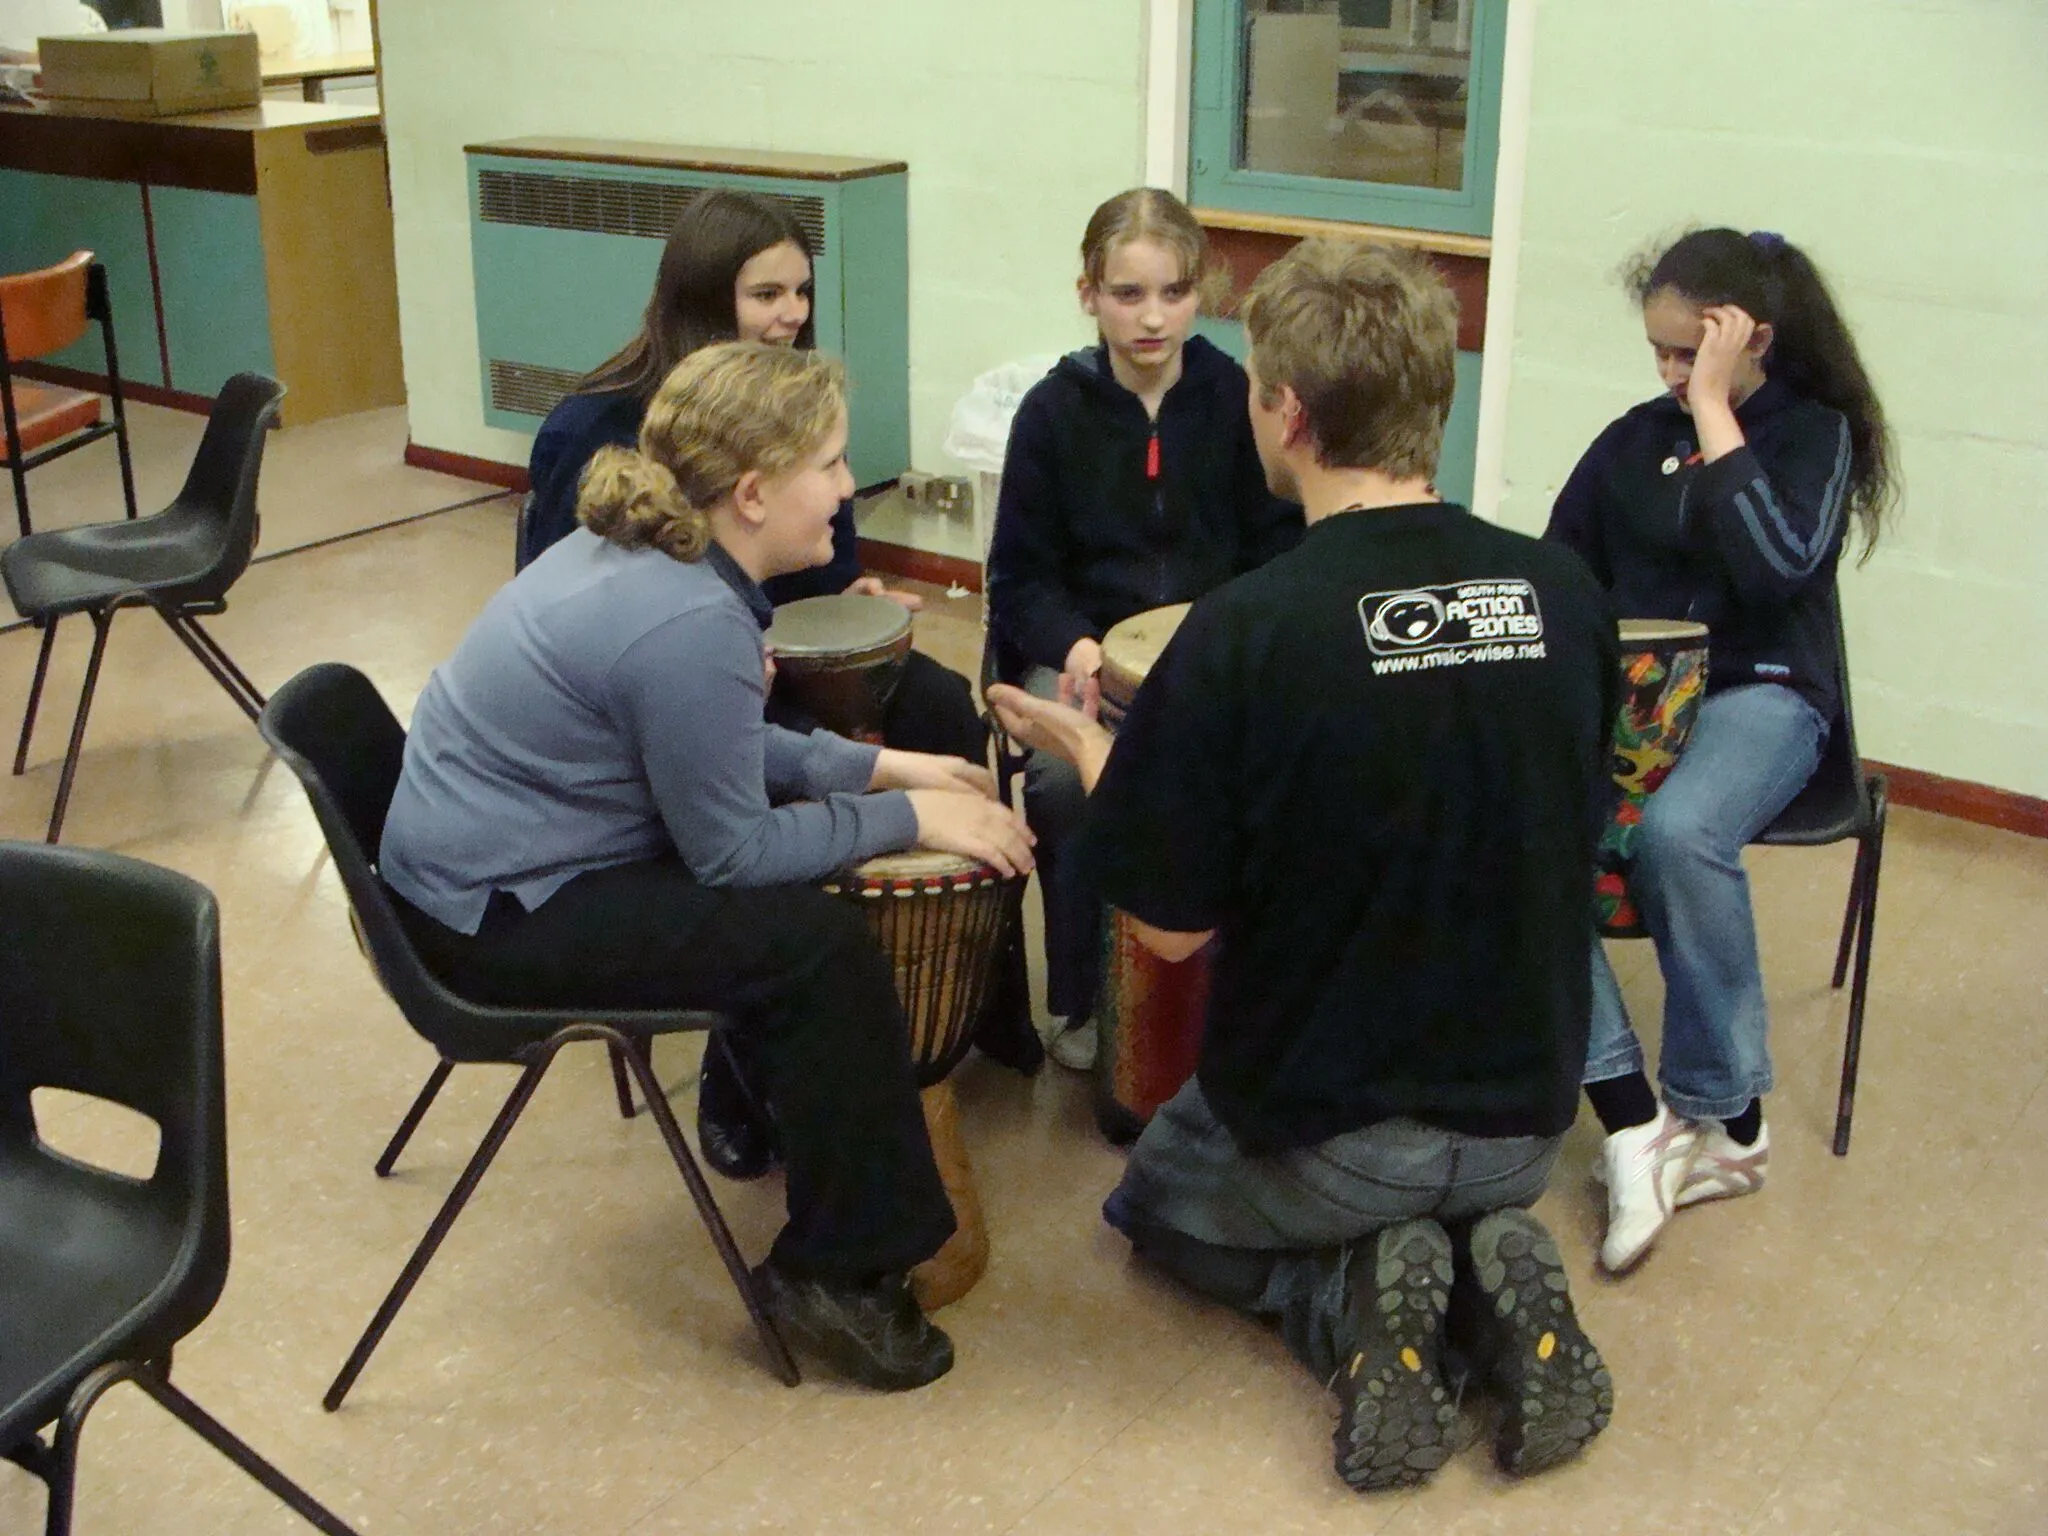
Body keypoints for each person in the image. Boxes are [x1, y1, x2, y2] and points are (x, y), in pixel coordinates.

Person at [990, 239, 1618, 1491]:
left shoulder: (1245, 632)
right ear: (1432, 397)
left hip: (1336, 1137)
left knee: (1146, 1209)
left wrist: (1075, 740)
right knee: (1445, 1182)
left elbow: (1167, 933)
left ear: (1283, 413)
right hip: (1524, 1127)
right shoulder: (1563, 594)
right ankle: (1489, 1283)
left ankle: (1344, 1304)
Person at [380, 342, 1034, 1391]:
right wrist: (909, 813)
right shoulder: (686, 615)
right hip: (492, 922)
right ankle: (838, 1269)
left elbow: (708, 742)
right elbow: (731, 850)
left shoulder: (646, 555)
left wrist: (876, 767)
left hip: (484, 868)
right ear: (751, 491)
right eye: (828, 463)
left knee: (795, 918)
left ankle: (763, 1126)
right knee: (814, 945)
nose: (843, 488)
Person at [521, 191, 1037, 1136]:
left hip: (755, 661)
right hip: (675, 707)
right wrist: (891, 798)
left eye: (801, 291)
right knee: (789, 864)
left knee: (936, 712)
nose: (790, 314)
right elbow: (630, 648)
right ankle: (748, 1080)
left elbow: (815, 566)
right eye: (766, 293)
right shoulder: (592, 433)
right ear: (702, 299)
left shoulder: (790, 411)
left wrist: (853, 608)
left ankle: (971, 993)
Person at [1546, 228, 1898, 1274]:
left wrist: (1713, 413)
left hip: (1765, 696)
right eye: (1657, 354)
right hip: (1637, 700)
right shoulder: (1628, 439)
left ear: (1749, 340)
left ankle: (1724, 1119)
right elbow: (1563, 577)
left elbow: (1778, 568)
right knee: (1514, 825)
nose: (1665, 373)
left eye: (1685, 352)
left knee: (1676, 831)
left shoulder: (1810, 435)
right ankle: (1627, 1113)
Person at [984, 186, 1302, 1071]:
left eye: (1173, 292)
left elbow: (1275, 547)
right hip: (1085, 655)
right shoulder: (1052, 414)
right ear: (1087, 294)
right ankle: (1086, 996)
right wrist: (1080, 650)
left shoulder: (1236, 396)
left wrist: (1227, 639)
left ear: (1202, 292)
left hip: (1212, 652)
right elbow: (1020, 580)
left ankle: (1235, 992)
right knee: (1058, 780)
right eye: (1128, 295)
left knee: (1268, 768)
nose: (1153, 317)